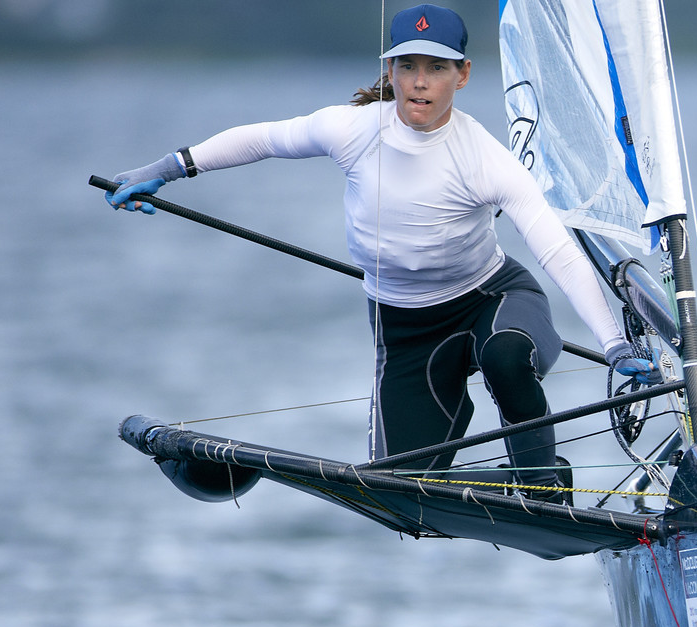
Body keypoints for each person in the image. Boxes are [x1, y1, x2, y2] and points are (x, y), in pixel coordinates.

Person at [106, 4, 660, 503]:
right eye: (408, 67)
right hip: (404, 329)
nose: (420, 84)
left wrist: (613, 345)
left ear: (462, 75)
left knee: (507, 357)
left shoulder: (486, 160)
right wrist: (166, 169)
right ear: (389, 71)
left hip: (494, 300)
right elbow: (262, 139)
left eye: (437, 68)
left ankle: (542, 487)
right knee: (400, 490)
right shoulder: (351, 130)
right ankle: (449, 482)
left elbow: (557, 252)